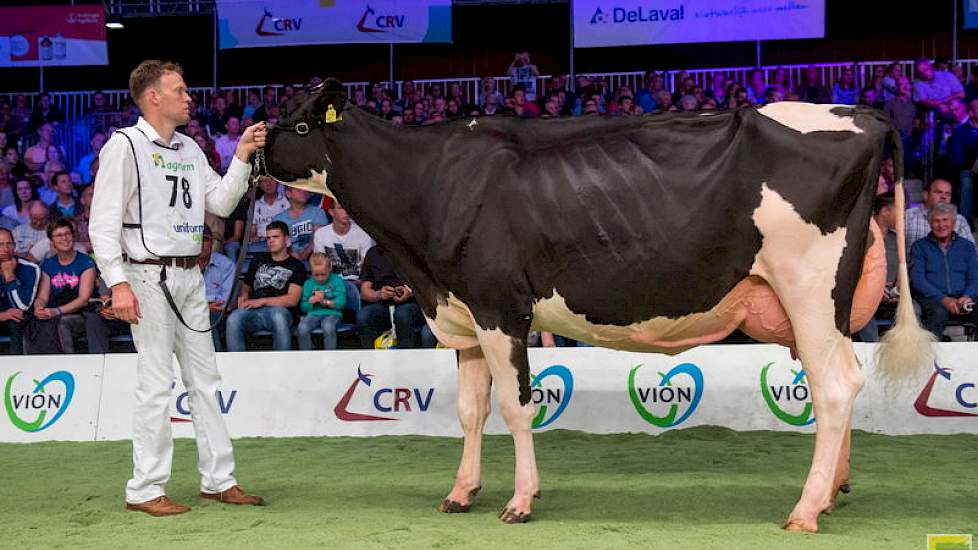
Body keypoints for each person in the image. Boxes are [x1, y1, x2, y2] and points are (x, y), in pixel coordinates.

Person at [88, 60, 265, 516]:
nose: (189, 98)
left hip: (190, 274)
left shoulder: (188, 146)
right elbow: (102, 224)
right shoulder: (124, 146)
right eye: (180, 90)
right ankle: (144, 488)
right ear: (153, 97)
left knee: (205, 380)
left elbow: (221, 202)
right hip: (146, 274)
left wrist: (242, 155)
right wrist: (118, 283)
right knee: (154, 384)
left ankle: (219, 479)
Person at [29, 218, 109, 354]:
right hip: (56, 310)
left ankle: (67, 365)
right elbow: (42, 296)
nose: (64, 238)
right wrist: (39, 308)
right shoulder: (48, 264)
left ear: (73, 236)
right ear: (51, 241)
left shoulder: (86, 262)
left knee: (62, 324)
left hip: (82, 313)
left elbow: (83, 298)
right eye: (59, 235)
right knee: (31, 324)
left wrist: (56, 311)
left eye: (67, 234)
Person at [225, 220, 305, 352]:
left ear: (286, 239)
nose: (271, 241)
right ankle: (237, 367)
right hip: (254, 312)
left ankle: (281, 365)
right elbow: (246, 285)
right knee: (234, 318)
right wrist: (243, 297)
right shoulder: (258, 259)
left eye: (275, 237)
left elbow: (292, 300)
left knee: (278, 317)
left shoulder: (296, 265)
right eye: (268, 238)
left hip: (280, 311)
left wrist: (262, 301)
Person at [910, 203, 978, 338]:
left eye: (945, 220)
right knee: (938, 313)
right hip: (933, 298)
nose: (941, 225)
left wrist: (967, 296)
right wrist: (944, 299)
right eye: (936, 221)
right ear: (930, 223)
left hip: (963, 297)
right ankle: (930, 357)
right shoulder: (919, 247)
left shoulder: (967, 246)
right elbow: (918, 279)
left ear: (953, 223)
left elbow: (975, 277)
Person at [356, 244, 427, 349]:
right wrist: (379, 294)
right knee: (363, 316)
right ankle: (370, 358)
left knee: (402, 314)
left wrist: (409, 291)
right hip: (382, 304)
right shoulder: (373, 252)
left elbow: (426, 284)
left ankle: (406, 357)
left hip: (411, 302)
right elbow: (364, 291)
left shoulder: (413, 250)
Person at [312, 199, 374, 283]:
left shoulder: (363, 233)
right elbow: (319, 264)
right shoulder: (321, 234)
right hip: (330, 282)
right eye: (341, 208)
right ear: (331, 212)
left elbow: (367, 267)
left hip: (357, 282)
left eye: (347, 207)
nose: (346, 211)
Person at [0, 227, 40, 354]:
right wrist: (2, 315)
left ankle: (16, 369)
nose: (6, 249)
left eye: (9, 244)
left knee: (16, 322)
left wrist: (9, 276)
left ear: (15, 246)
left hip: (19, 319)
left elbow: (22, 306)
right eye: (0, 244)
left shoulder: (30, 268)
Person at [905, 179, 976, 250]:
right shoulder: (908, 217)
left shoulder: (959, 220)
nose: (943, 197)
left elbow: (971, 252)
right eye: (939, 192)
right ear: (925, 195)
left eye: (947, 194)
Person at [297, 252, 346, 350]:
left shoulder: (337, 281)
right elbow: (303, 307)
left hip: (332, 313)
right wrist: (310, 302)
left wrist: (325, 302)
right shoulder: (308, 283)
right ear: (311, 271)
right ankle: (306, 357)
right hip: (313, 313)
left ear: (329, 268)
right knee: (302, 328)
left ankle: (329, 358)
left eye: (323, 274)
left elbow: (341, 303)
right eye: (316, 275)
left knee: (328, 326)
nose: (320, 278)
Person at [198, 225, 234, 352]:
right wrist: (205, 305)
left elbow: (225, 302)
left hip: (217, 314)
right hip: (190, 311)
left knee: (207, 316)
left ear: (212, 242)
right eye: (196, 239)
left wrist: (199, 306)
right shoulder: (184, 264)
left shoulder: (226, 264)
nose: (200, 243)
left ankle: (217, 359)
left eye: (205, 239)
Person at [272, 186, 328, 264]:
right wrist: (290, 254)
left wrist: (303, 255)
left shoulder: (318, 212)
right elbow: (278, 243)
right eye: (299, 189)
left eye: (305, 189)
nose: (303, 191)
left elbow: (319, 238)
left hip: (315, 258)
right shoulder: (278, 219)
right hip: (288, 260)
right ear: (288, 193)